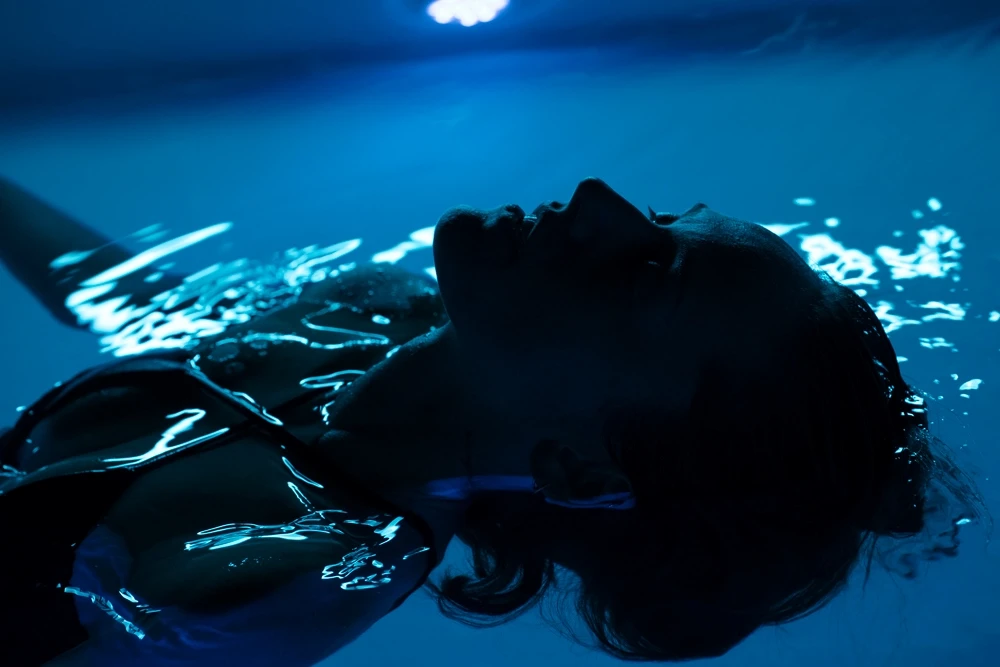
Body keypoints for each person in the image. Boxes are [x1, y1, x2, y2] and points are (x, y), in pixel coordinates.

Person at [0, 176, 986, 666]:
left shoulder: (274, 569)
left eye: (645, 271)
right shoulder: (371, 309)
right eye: (671, 215)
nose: (603, 200)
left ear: (573, 463)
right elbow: (149, 311)